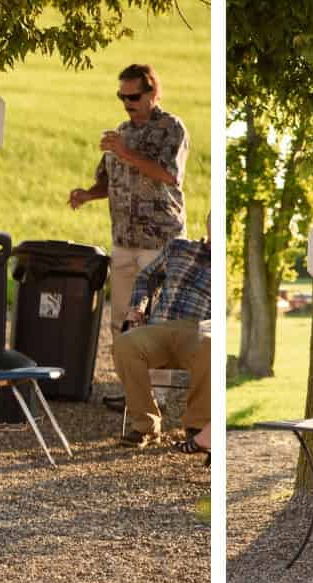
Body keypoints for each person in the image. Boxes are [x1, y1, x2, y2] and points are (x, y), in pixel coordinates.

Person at [67, 64, 189, 404]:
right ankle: (131, 393)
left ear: (153, 93)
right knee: (121, 319)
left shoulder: (171, 128)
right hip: (123, 241)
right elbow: (107, 181)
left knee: (155, 320)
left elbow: (170, 175)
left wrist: (125, 153)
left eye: (133, 97)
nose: (126, 103)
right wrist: (87, 194)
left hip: (159, 242)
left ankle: (157, 398)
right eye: (121, 97)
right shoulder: (120, 133)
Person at [111, 227, 210, 450]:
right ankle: (145, 426)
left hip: (199, 330)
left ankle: (199, 428)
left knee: (212, 346)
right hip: (161, 326)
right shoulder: (179, 247)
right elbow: (147, 276)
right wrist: (137, 307)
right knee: (125, 344)